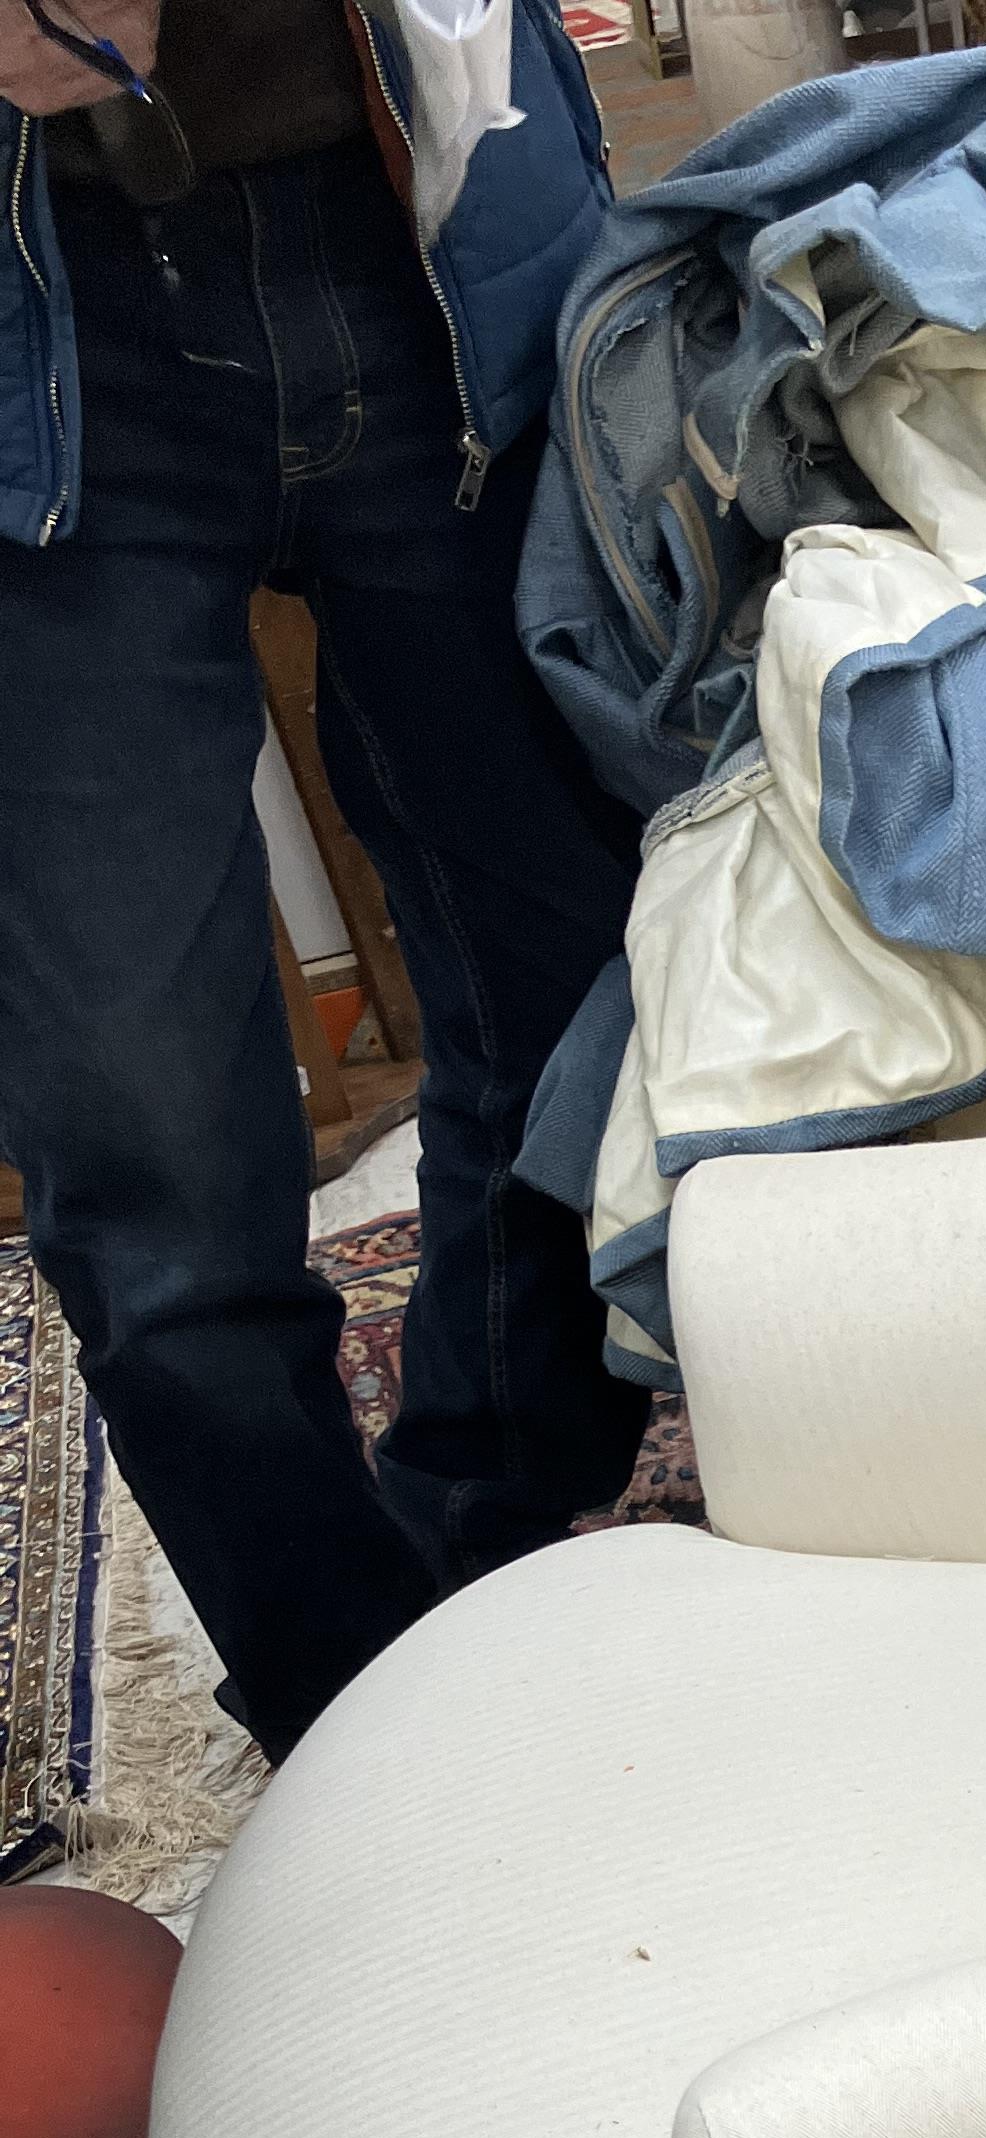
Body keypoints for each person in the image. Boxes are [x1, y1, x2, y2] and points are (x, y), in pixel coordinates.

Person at [0, 0, 647, 1768]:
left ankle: (495, 1527)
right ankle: (364, 1737)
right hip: (26, 330)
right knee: (152, 1160)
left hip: (424, 211)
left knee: (587, 975)